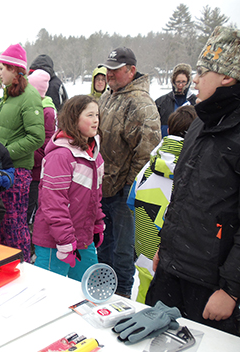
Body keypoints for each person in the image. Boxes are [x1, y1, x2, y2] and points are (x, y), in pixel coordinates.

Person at [146, 26, 240, 336]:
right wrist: (164, 245)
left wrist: (231, 289)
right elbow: (182, 194)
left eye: (202, 71)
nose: (195, 79)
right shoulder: (200, 122)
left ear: (226, 76)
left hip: (211, 285)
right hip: (172, 270)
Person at [97, 47, 161, 298]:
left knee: (123, 251)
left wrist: (129, 188)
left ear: (131, 70)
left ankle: (122, 296)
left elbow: (146, 153)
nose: (109, 74)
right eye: (108, 69)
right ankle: (101, 290)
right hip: (103, 185)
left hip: (125, 191)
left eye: (115, 69)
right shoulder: (108, 96)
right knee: (103, 245)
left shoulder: (141, 104)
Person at [127, 105, 196, 303]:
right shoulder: (194, 168)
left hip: (144, 247)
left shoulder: (150, 165)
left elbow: (131, 200)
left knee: (143, 297)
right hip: (174, 257)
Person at [33, 95, 105, 281]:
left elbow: (95, 197)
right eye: (90, 115)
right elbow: (53, 204)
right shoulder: (61, 156)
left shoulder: (94, 154)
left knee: (84, 292)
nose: (96, 120)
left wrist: (97, 225)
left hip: (82, 237)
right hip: (54, 241)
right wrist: (64, 240)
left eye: (97, 114)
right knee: (48, 293)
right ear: (74, 119)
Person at [0, 43, 45, 262]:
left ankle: (21, 266)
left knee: (14, 224)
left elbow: (36, 137)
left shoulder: (29, 96)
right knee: (3, 223)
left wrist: (5, 152)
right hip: (3, 169)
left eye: (3, 68)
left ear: (14, 70)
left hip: (18, 172)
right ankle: (5, 267)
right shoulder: (10, 94)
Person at [26, 69, 57, 232]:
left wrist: (28, 157)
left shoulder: (47, 112)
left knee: (32, 210)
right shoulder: (36, 107)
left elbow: (45, 145)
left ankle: (31, 243)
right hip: (31, 171)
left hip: (36, 173)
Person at [155, 63, 197, 137]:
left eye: (183, 82)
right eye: (178, 82)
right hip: (166, 144)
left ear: (188, 82)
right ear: (173, 81)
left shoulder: (196, 102)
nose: (180, 85)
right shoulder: (161, 102)